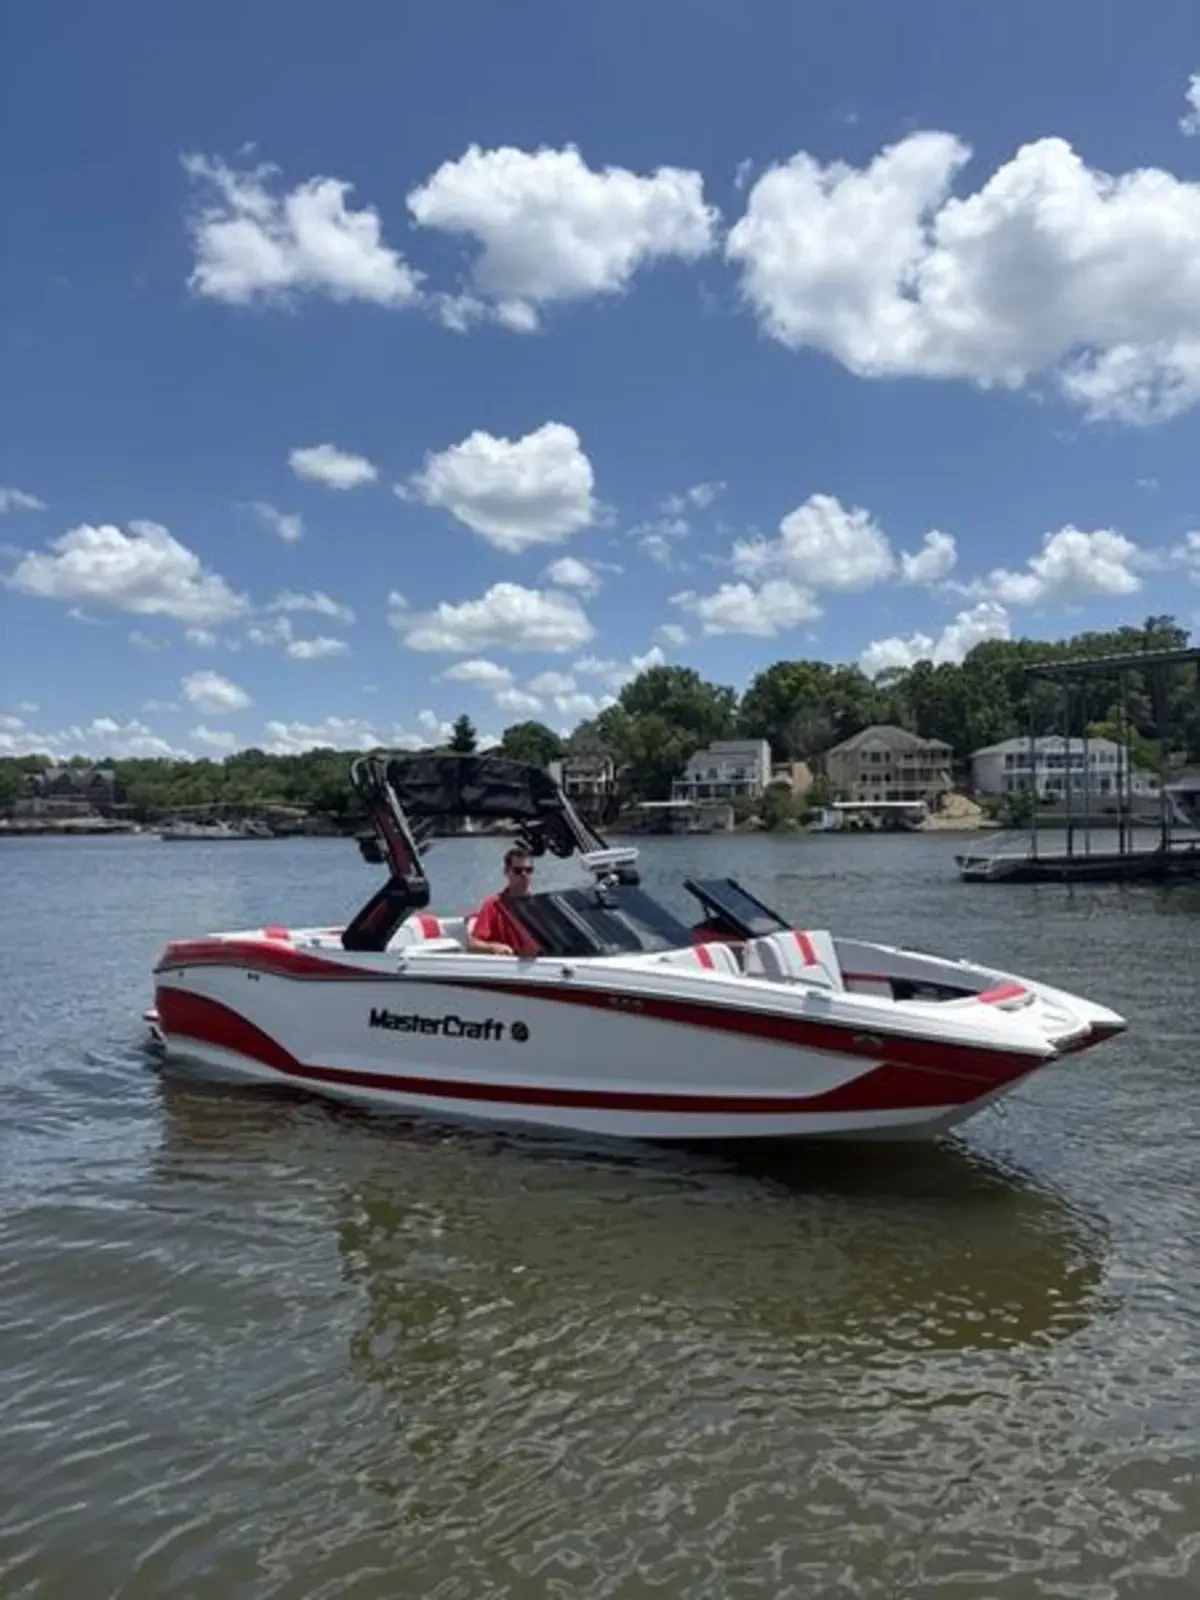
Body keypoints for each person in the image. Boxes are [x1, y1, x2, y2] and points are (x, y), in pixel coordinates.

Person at [468, 847, 541, 956]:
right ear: (506, 872)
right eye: (518, 871)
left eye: (529, 870)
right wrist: (493, 947)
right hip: (508, 965)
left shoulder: (541, 905)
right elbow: (473, 945)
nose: (524, 875)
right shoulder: (493, 905)